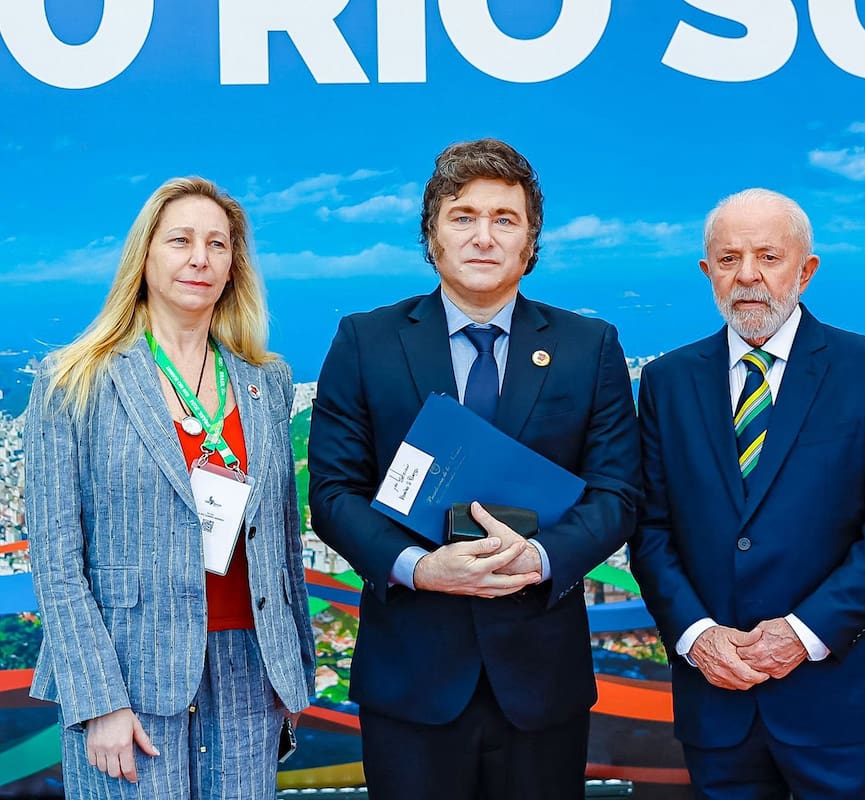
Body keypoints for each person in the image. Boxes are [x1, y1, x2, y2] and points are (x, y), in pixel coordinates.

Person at [307, 138, 640, 800]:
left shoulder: (588, 347)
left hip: (542, 680)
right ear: (431, 235)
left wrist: (542, 557)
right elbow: (334, 495)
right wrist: (420, 568)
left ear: (530, 241)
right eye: (463, 216)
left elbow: (618, 496)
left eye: (504, 219)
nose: (483, 237)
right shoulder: (365, 341)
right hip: (411, 680)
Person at [629, 188, 865, 799]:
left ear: (806, 270)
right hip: (719, 693)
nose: (748, 276)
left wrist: (804, 631)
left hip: (841, 697)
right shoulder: (667, 381)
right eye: (729, 258)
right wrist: (695, 636)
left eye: (767, 256)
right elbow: (650, 529)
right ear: (706, 270)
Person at [25, 177, 316, 798]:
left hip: (250, 672)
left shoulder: (268, 382)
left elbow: (284, 546)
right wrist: (97, 701)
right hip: (130, 673)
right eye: (180, 240)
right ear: (145, 256)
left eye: (217, 244)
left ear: (234, 264)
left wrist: (294, 678)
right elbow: (55, 558)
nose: (199, 259)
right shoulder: (73, 380)